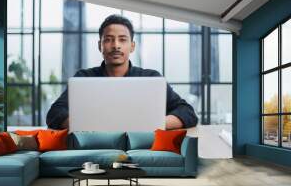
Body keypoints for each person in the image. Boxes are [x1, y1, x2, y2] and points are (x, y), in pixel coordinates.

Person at [46, 14, 198, 130]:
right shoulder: (83, 78)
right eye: (109, 39)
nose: (116, 46)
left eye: (122, 39)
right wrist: (86, 125)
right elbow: (54, 114)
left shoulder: (151, 78)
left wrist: (154, 123)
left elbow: (188, 113)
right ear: (100, 45)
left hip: (141, 147)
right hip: (96, 145)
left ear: (132, 46)